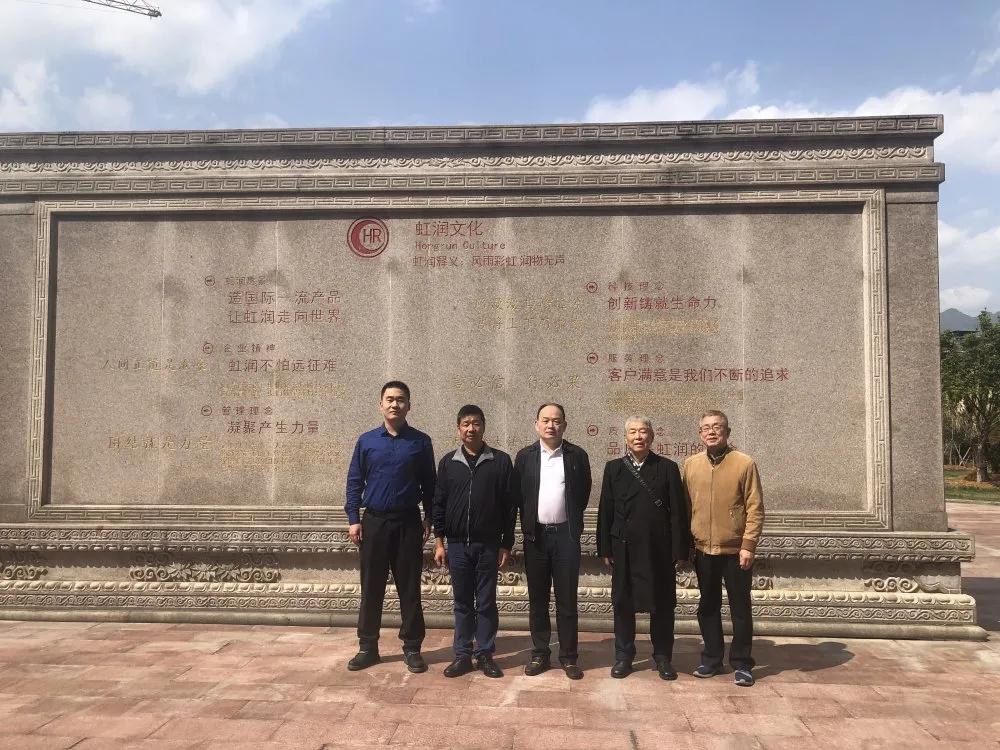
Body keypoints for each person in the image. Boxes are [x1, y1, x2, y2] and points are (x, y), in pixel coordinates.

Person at [344, 381, 436, 673]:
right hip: (374, 522)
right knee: (371, 587)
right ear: (380, 404)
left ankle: (412, 647)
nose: (395, 404)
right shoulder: (367, 441)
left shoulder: (420, 442)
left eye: (400, 399)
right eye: (390, 399)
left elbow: (430, 485)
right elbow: (354, 481)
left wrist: (429, 518)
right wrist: (354, 518)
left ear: (409, 406)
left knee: (410, 588)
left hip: (408, 522)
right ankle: (367, 647)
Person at [597, 416, 690, 679]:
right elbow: (606, 509)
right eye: (633, 432)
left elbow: (678, 512)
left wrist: (679, 550)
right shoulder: (614, 468)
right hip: (623, 548)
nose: (638, 437)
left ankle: (662, 657)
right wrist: (605, 547)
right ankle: (624, 656)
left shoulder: (667, 468)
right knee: (622, 604)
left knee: (662, 604)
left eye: (643, 432)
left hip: (658, 549)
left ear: (652, 436)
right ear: (625, 437)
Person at [432, 405, 518, 679]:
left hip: (488, 545)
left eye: (476, 423)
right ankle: (462, 655)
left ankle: (485, 654)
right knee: (461, 602)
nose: (471, 429)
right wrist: (439, 542)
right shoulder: (448, 462)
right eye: (466, 424)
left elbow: (510, 507)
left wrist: (506, 544)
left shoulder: (500, 461)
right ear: (459, 428)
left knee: (486, 601)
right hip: (457, 545)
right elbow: (438, 504)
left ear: (484, 426)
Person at [683, 410, 764, 687]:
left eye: (717, 427)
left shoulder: (744, 463)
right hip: (703, 550)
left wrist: (748, 545)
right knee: (708, 606)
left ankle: (742, 663)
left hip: (735, 550)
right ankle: (712, 659)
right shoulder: (691, 465)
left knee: (740, 608)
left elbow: (755, 507)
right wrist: (686, 545)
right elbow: (686, 508)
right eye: (706, 427)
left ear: (727, 432)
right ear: (700, 434)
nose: (711, 431)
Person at [514, 403, 592, 679]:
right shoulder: (525, 457)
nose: (551, 425)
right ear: (536, 424)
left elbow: (582, 493)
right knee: (538, 599)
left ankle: (569, 657)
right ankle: (540, 653)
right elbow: (519, 495)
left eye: (556, 421)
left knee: (566, 600)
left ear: (564, 425)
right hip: (535, 537)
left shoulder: (576, 456)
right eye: (545, 420)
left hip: (565, 537)